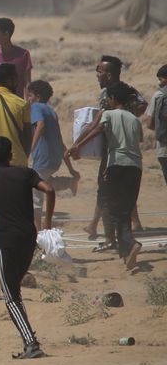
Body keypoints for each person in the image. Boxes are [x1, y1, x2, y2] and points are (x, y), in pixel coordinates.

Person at [0, 137, 54, 359]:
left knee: (10, 295)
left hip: (6, 240)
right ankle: (30, 342)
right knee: (15, 288)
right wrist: (47, 222)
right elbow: (49, 189)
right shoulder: (25, 173)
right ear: (11, 155)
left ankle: (31, 344)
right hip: (29, 237)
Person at [67, 82, 143, 270]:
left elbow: (97, 130)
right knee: (126, 206)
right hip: (136, 167)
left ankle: (131, 243)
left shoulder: (108, 114)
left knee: (116, 210)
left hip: (116, 164)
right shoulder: (135, 119)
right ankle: (127, 254)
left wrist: (78, 145)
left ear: (112, 99)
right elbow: (138, 140)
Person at [27, 80, 80, 197]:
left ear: (38, 97)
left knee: (36, 192)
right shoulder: (51, 112)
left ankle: (36, 214)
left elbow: (40, 125)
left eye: (30, 96)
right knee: (45, 182)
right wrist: (70, 168)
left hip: (43, 159)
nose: (28, 99)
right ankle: (68, 182)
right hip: (54, 160)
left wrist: (31, 147)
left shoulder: (36, 107)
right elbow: (60, 142)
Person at [0, 18, 32, 97]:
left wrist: (28, 105)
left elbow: (28, 83)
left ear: (6, 34)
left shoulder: (23, 55)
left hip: (16, 104)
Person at [151, 64, 167, 186]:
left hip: (164, 148)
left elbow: (149, 122)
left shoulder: (159, 95)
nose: (159, 83)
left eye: (161, 79)